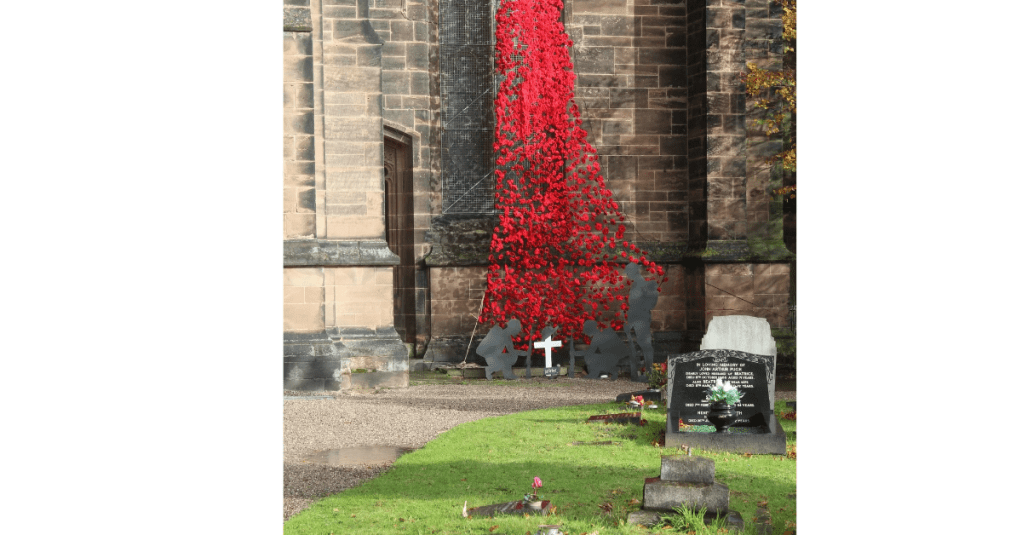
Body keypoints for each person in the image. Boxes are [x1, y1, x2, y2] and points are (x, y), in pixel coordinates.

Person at [624, 262, 657, 381]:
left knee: (645, 345)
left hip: (641, 319)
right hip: (637, 319)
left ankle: (649, 372)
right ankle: (645, 372)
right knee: (642, 345)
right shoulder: (637, 283)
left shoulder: (641, 283)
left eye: (628, 272)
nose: (627, 275)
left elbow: (640, 304)